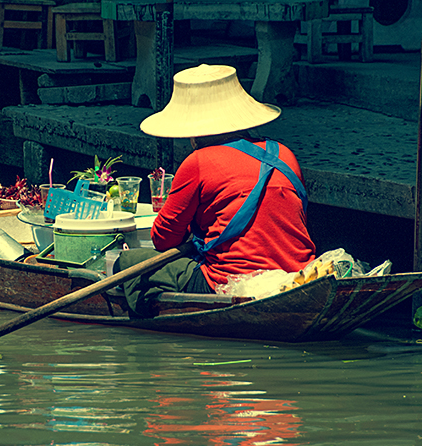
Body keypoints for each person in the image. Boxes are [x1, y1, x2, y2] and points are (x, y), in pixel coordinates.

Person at [116, 63, 316, 316]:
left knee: (130, 262)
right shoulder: (283, 153)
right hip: (298, 271)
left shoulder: (199, 162)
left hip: (231, 280)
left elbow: (163, 240)